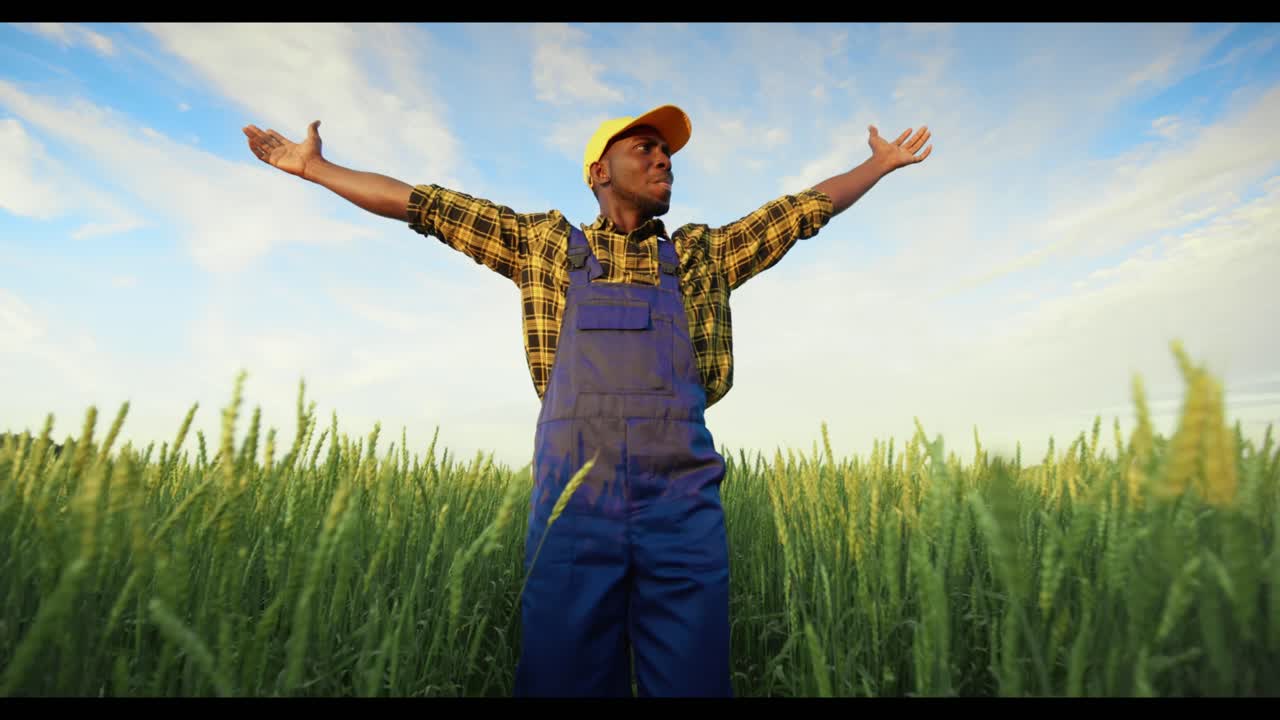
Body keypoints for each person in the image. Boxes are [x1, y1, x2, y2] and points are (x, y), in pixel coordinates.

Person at [242, 104, 931, 698]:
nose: (665, 159)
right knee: (561, 679)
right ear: (599, 172)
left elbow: (803, 211)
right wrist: (315, 170)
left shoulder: (699, 258)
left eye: (667, 151)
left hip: (683, 510)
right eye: (647, 147)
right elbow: (423, 206)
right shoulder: (545, 247)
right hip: (574, 510)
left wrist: (877, 166)